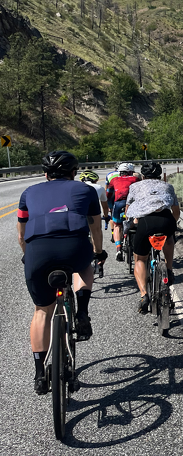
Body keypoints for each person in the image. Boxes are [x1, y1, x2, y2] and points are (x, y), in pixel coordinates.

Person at [18, 151, 107, 395]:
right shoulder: (87, 190)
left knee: (42, 311)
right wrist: (98, 252)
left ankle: (39, 373)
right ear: (73, 172)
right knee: (83, 266)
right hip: (74, 247)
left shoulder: (28, 193)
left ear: (45, 174)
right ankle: (83, 312)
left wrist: (29, 255)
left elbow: (20, 234)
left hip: (38, 252)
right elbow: (95, 227)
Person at [125, 161, 180, 314]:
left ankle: (144, 295)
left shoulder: (135, 186)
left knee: (140, 259)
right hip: (166, 219)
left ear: (143, 176)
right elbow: (175, 210)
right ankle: (168, 269)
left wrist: (129, 224)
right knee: (169, 239)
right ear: (160, 175)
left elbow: (128, 208)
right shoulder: (168, 186)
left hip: (145, 222)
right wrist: (173, 224)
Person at [78, 170, 111, 277]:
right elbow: (105, 207)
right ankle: (98, 254)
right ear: (95, 180)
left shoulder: (77, 187)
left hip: (77, 216)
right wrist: (106, 217)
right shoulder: (99, 188)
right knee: (96, 231)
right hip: (92, 215)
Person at [106, 163, 140, 261]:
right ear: (131, 172)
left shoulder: (113, 180)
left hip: (118, 204)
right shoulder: (135, 179)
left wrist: (110, 207)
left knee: (117, 225)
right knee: (136, 221)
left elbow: (108, 195)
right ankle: (136, 244)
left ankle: (118, 249)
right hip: (131, 205)